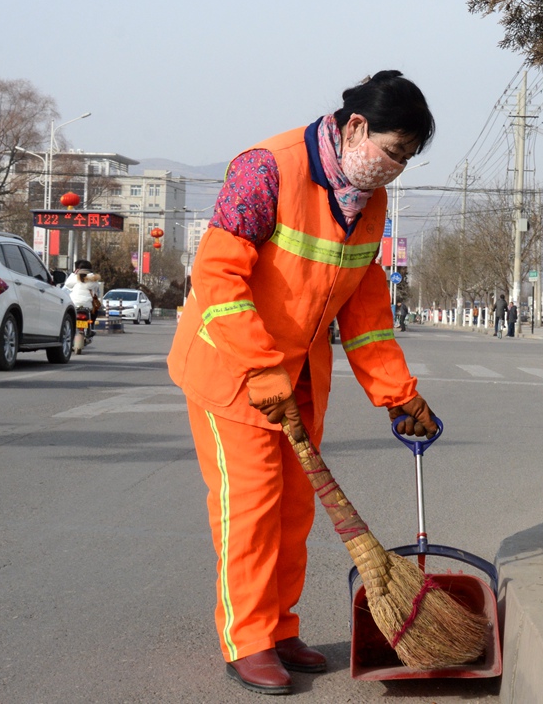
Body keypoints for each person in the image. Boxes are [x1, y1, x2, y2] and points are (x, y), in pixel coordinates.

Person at [167, 70, 439, 696]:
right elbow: (219, 278)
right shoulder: (265, 170)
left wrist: (400, 394)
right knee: (252, 506)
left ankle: (281, 627)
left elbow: (365, 311)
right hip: (233, 368)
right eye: (392, 152)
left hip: (301, 377)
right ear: (356, 127)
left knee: (294, 512)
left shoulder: (368, 203)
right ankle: (248, 639)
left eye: (406, 160)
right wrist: (260, 367)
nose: (394, 170)